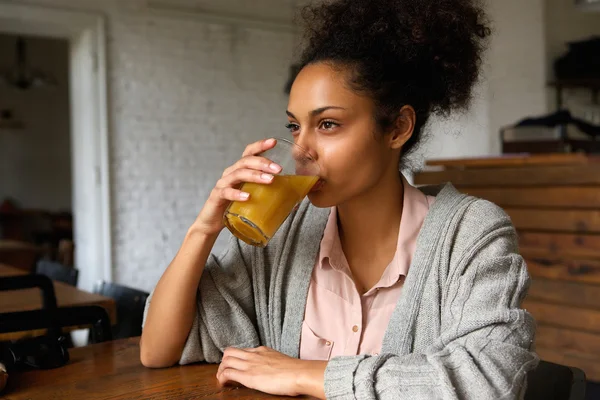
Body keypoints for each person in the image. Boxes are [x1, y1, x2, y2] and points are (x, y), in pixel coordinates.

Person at [140, 0, 538, 398]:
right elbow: (158, 351)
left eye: (327, 124)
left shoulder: (471, 233)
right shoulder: (283, 233)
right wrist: (204, 228)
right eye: (295, 127)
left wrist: (303, 375)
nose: (300, 149)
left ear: (398, 128)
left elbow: (486, 381)